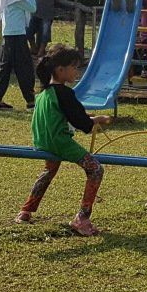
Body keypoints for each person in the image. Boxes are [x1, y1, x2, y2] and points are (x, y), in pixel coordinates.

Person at [16, 45, 114, 235]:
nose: (77, 71)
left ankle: (25, 211)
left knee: (49, 171)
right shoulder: (65, 93)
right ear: (60, 70)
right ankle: (82, 218)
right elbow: (81, 122)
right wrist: (98, 120)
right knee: (95, 169)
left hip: (43, 141)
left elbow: (68, 115)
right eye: (74, 67)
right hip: (59, 142)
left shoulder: (44, 94)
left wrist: (87, 117)